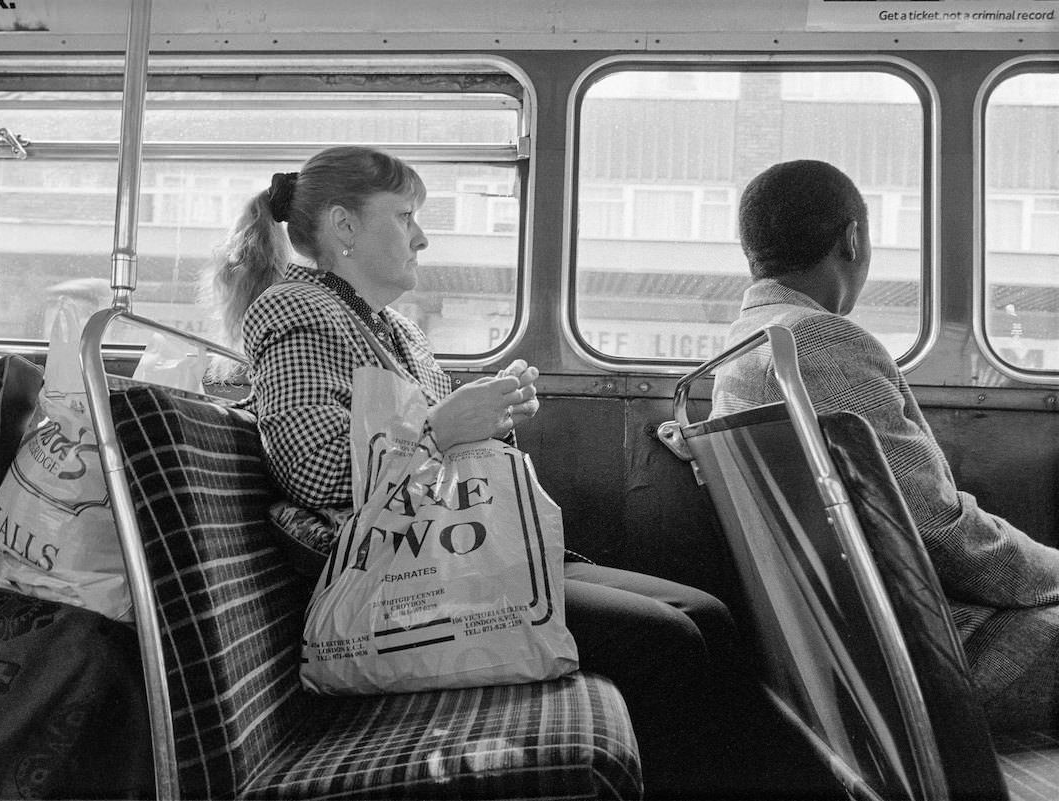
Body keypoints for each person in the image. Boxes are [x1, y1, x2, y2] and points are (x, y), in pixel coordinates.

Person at [213, 145, 759, 797]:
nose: (422, 235)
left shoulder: (394, 330)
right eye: (406, 215)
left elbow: (428, 453)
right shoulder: (296, 311)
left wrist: (489, 415)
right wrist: (444, 426)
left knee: (710, 615)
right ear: (344, 228)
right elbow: (313, 468)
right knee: (670, 642)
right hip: (403, 579)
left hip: (456, 551)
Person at [712, 158, 1059, 732]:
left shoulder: (746, 344)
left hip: (846, 644)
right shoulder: (815, 340)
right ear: (851, 237)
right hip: (928, 655)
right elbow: (939, 532)